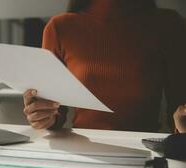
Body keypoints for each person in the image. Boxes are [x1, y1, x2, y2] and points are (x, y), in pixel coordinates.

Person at [23, 0, 186, 133]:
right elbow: (55, 116)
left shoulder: (168, 25)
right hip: (82, 152)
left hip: (145, 153)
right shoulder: (59, 28)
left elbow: (179, 109)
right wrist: (42, 116)